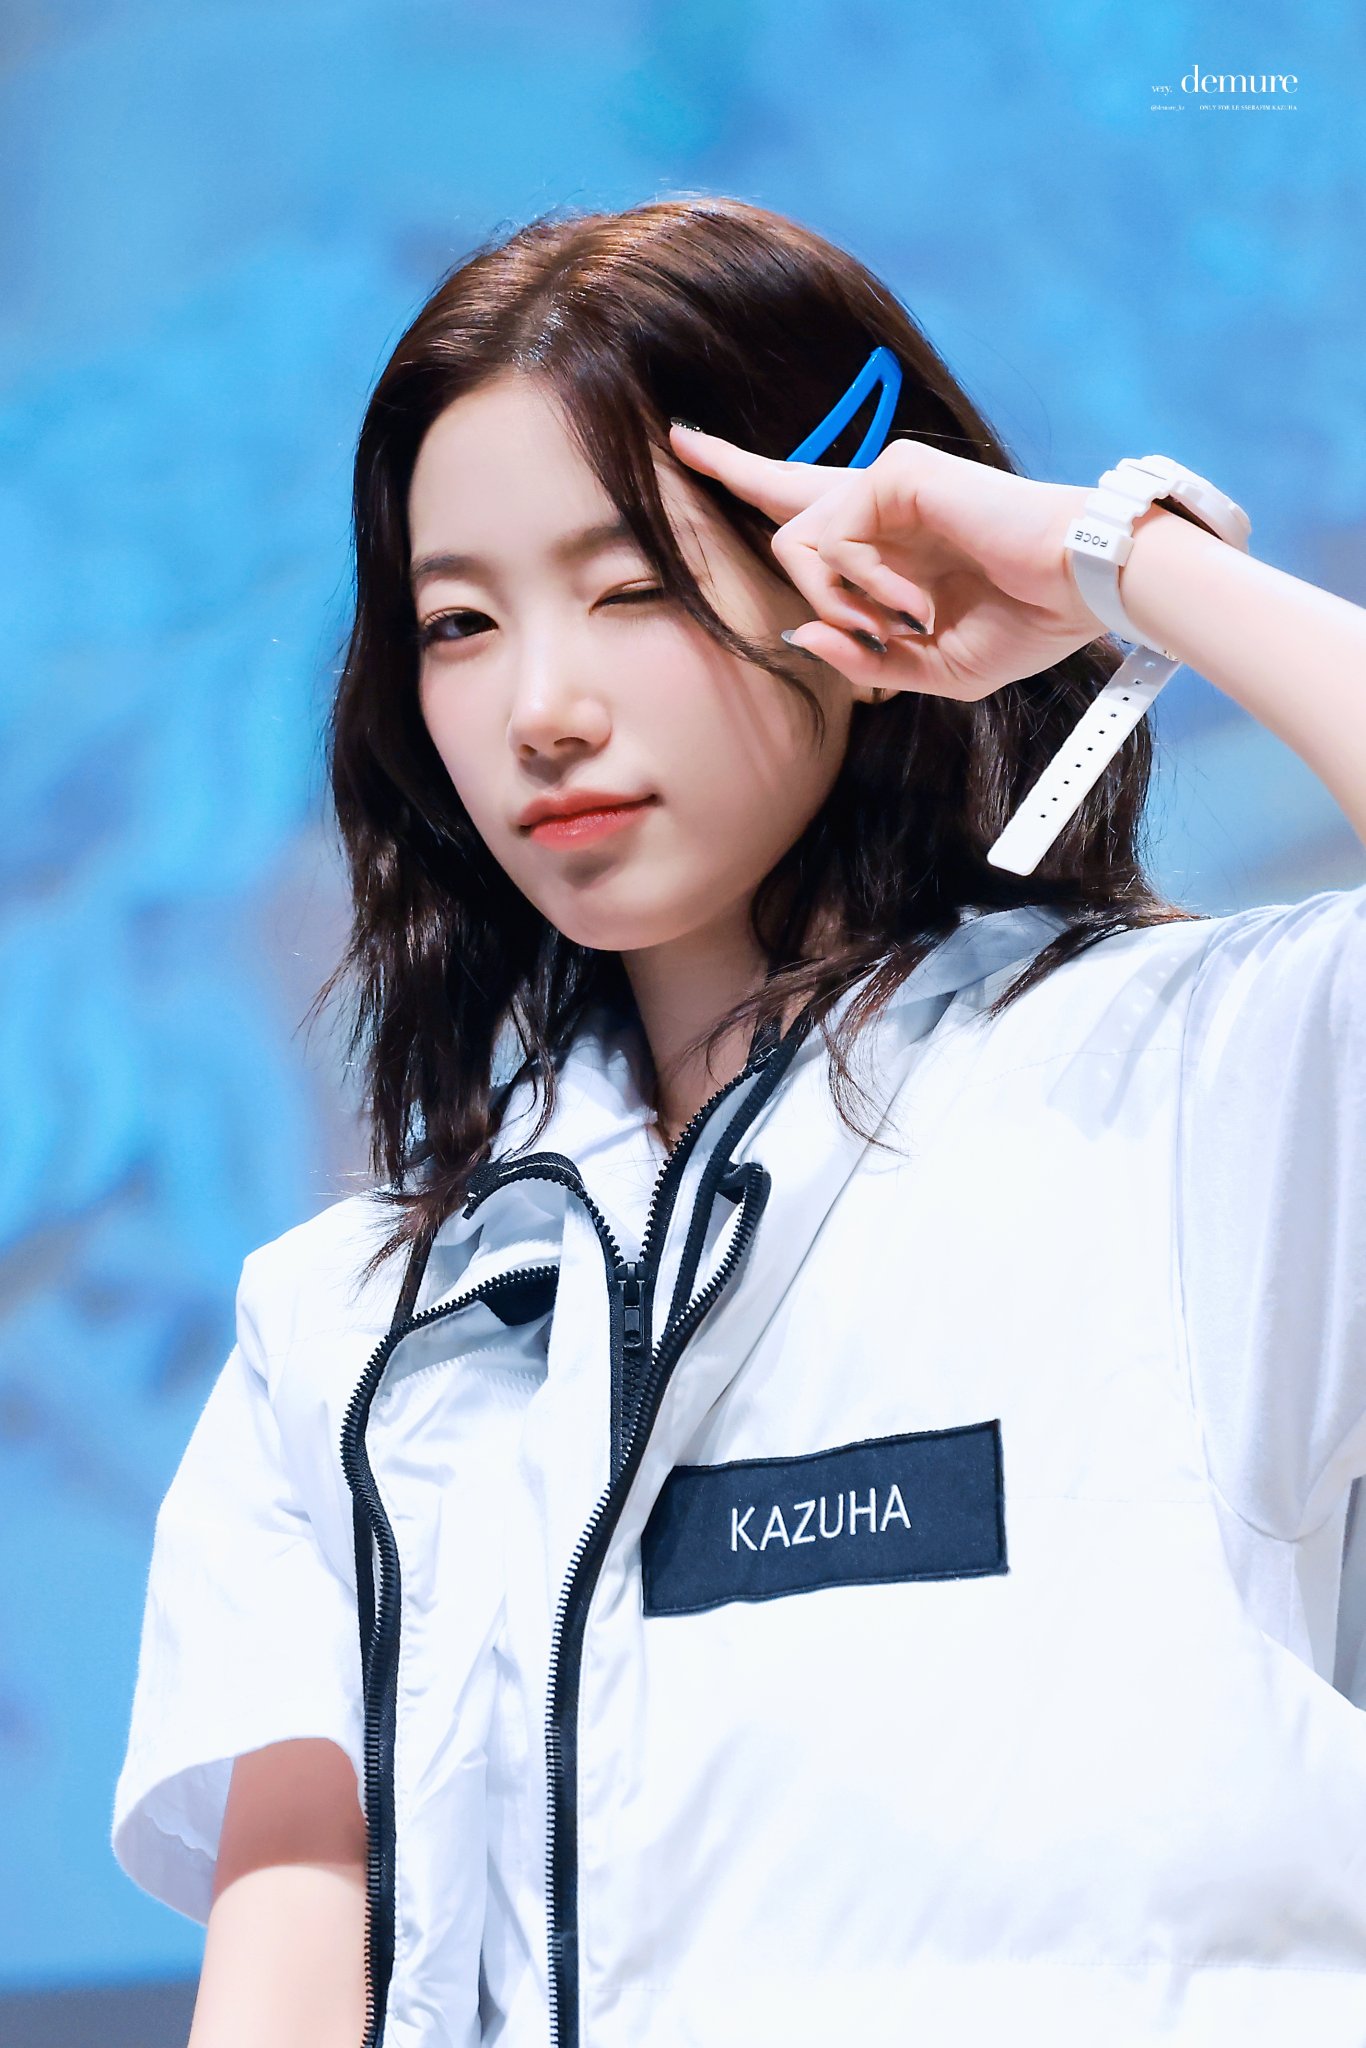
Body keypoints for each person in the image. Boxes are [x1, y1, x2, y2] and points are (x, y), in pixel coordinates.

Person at [111, 195, 1366, 2048]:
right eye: (458, 623)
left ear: (852, 560)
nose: (540, 708)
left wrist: (1114, 563)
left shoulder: (1189, 1084)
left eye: (633, 587)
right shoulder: (346, 1327)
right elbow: (289, 1974)